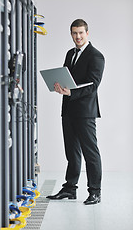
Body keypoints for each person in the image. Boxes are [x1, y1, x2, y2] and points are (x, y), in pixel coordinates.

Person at [46, 19, 105, 205]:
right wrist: (59, 86)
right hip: (69, 109)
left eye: (80, 33)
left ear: (87, 33)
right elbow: (67, 78)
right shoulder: (70, 53)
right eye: (74, 33)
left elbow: (93, 85)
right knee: (71, 152)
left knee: (90, 153)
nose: (77, 36)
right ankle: (70, 188)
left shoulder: (96, 56)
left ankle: (95, 192)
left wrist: (71, 92)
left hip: (85, 112)